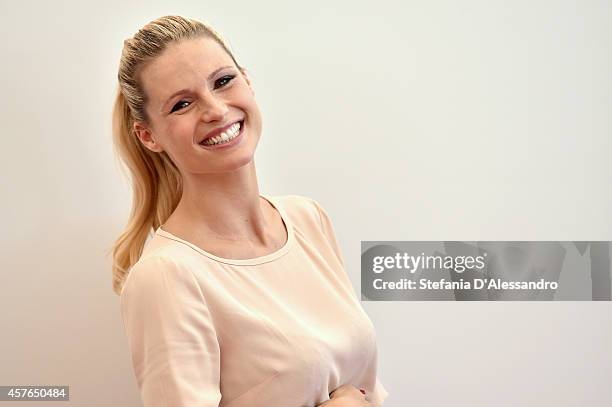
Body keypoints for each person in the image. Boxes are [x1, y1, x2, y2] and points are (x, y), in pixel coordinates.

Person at [110, 15, 388, 407]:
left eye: (223, 81)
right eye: (182, 104)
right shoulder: (167, 277)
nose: (216, 109)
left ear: (248, 81)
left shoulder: (307, 219)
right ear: (148, 135)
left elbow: (369, 386)